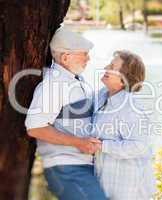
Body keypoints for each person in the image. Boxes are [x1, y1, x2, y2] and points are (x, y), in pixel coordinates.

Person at [25, 27, 107, 200]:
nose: (88, 58)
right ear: (65, 58)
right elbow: (35, 128)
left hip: (80, 166)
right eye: (83, 54)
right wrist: (80, 143)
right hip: (65, 168)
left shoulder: (76, 79)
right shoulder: (54, 85)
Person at [91, 50, 156, 200]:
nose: (106, 67)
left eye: (112, 67)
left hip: (127, 187)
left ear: (124, 79)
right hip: (105, 181)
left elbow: (139, 145)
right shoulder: (102, 95)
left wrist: (102, 146)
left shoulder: (132, 107)